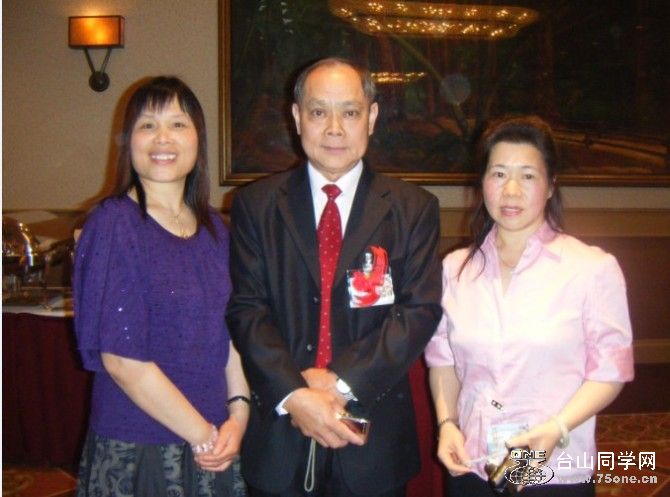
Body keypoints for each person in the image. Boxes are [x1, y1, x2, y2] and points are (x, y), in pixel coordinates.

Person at [226, 57, 443, 497]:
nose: (334, 128)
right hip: (280, 433)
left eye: (350, 112)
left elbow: (419, 311)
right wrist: (295, 393)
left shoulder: (413, 208)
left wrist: (339, 380)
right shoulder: (255, 205)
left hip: (373, 436)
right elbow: (247, 309)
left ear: (372, 117)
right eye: (318, 112)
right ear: (296, 117)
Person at [425, 115, 634, 496]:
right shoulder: (455, 269)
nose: (511, 191)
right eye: (499, 174)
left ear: (551, 185)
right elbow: (443, 359)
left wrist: (557, 427)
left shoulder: (591, 269)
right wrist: (447, 423)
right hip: (472, 464)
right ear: (482, 182)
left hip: (552, 467)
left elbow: (610, 370)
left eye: (527, 176)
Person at [73, 76, 249, 496]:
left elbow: (230, 333)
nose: (162, 138)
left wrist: (238, 415)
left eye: (178, 124)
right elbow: (123, 361)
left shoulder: (214, 228)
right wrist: (203, 435)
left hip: (215, 435)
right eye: (147, 125)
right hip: (142, 445)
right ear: (128, 142)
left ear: (198, 139)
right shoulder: (114, 223)